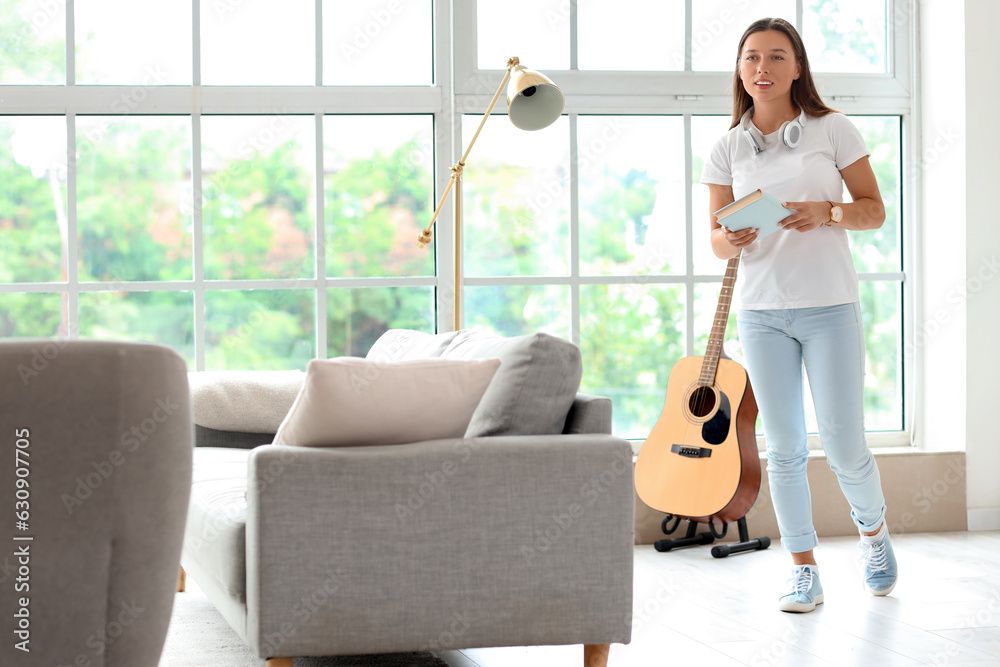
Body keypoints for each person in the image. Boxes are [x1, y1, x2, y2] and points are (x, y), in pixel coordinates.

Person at [700, 17, 897, 613]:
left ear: (798, 67)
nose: (763, 68)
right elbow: (712, 237)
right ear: (740, 70)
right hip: (761, 313)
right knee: (783, 448)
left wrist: (828, 212)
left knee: (842, 442)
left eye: (776, 57)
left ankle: (874, 536)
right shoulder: (727, 146)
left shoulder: (832, 130)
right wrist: (728, 240)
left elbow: (874, 212)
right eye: (752, 57)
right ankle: (803, 568)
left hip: (830, 307)